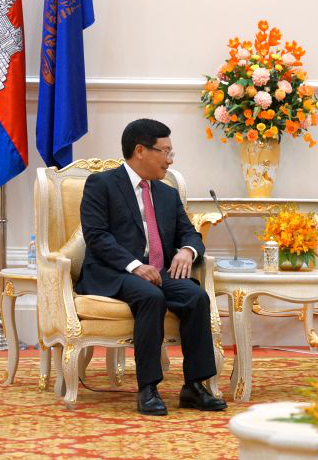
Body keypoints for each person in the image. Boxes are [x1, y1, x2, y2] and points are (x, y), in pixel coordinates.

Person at [76, 118, 227, 415]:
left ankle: (194, 386)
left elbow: (190, 234)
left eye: (171, 153)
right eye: (165, 152)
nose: (170, 160)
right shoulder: (101, 184)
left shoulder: (167, 193)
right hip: (114, 272)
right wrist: (134, 266)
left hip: (158, 272)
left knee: (196, 297)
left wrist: (187, 251)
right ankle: (148, 388)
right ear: (140, 151)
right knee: (150, 296)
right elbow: (97, 236)